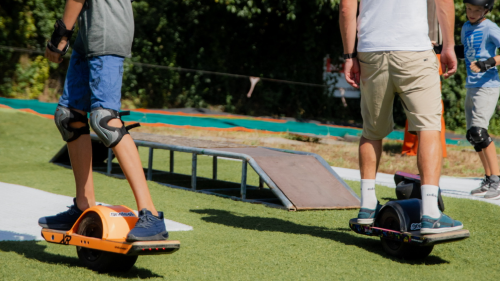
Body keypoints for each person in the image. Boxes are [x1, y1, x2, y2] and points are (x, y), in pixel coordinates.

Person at [38, 0, 169, 241]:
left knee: (105, 119)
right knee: (70, 116)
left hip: (106, 32)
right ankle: (83, 206)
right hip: (88, 35)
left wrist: (60, 36)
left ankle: (150, 214)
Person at [339, 0, 463, 234]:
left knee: (371, 131)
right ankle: (430, 213)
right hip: (414, 49)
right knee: (429, 127)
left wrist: (348, 55)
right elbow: (444, 2)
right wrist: (449, 46)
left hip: (371, 51)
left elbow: (346, 8)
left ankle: (366, 207)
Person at [461, 0, 500, 200]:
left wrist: (489, 62)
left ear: (486, 10)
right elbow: (466, 52)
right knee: (472, 136)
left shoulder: (490, 28)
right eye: (468, 9)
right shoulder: (466, 27)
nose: (472, 13)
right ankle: (488, 179)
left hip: (488, 86)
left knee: (480, 132)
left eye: (477, 10)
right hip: (471, 86)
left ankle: (497, 180)